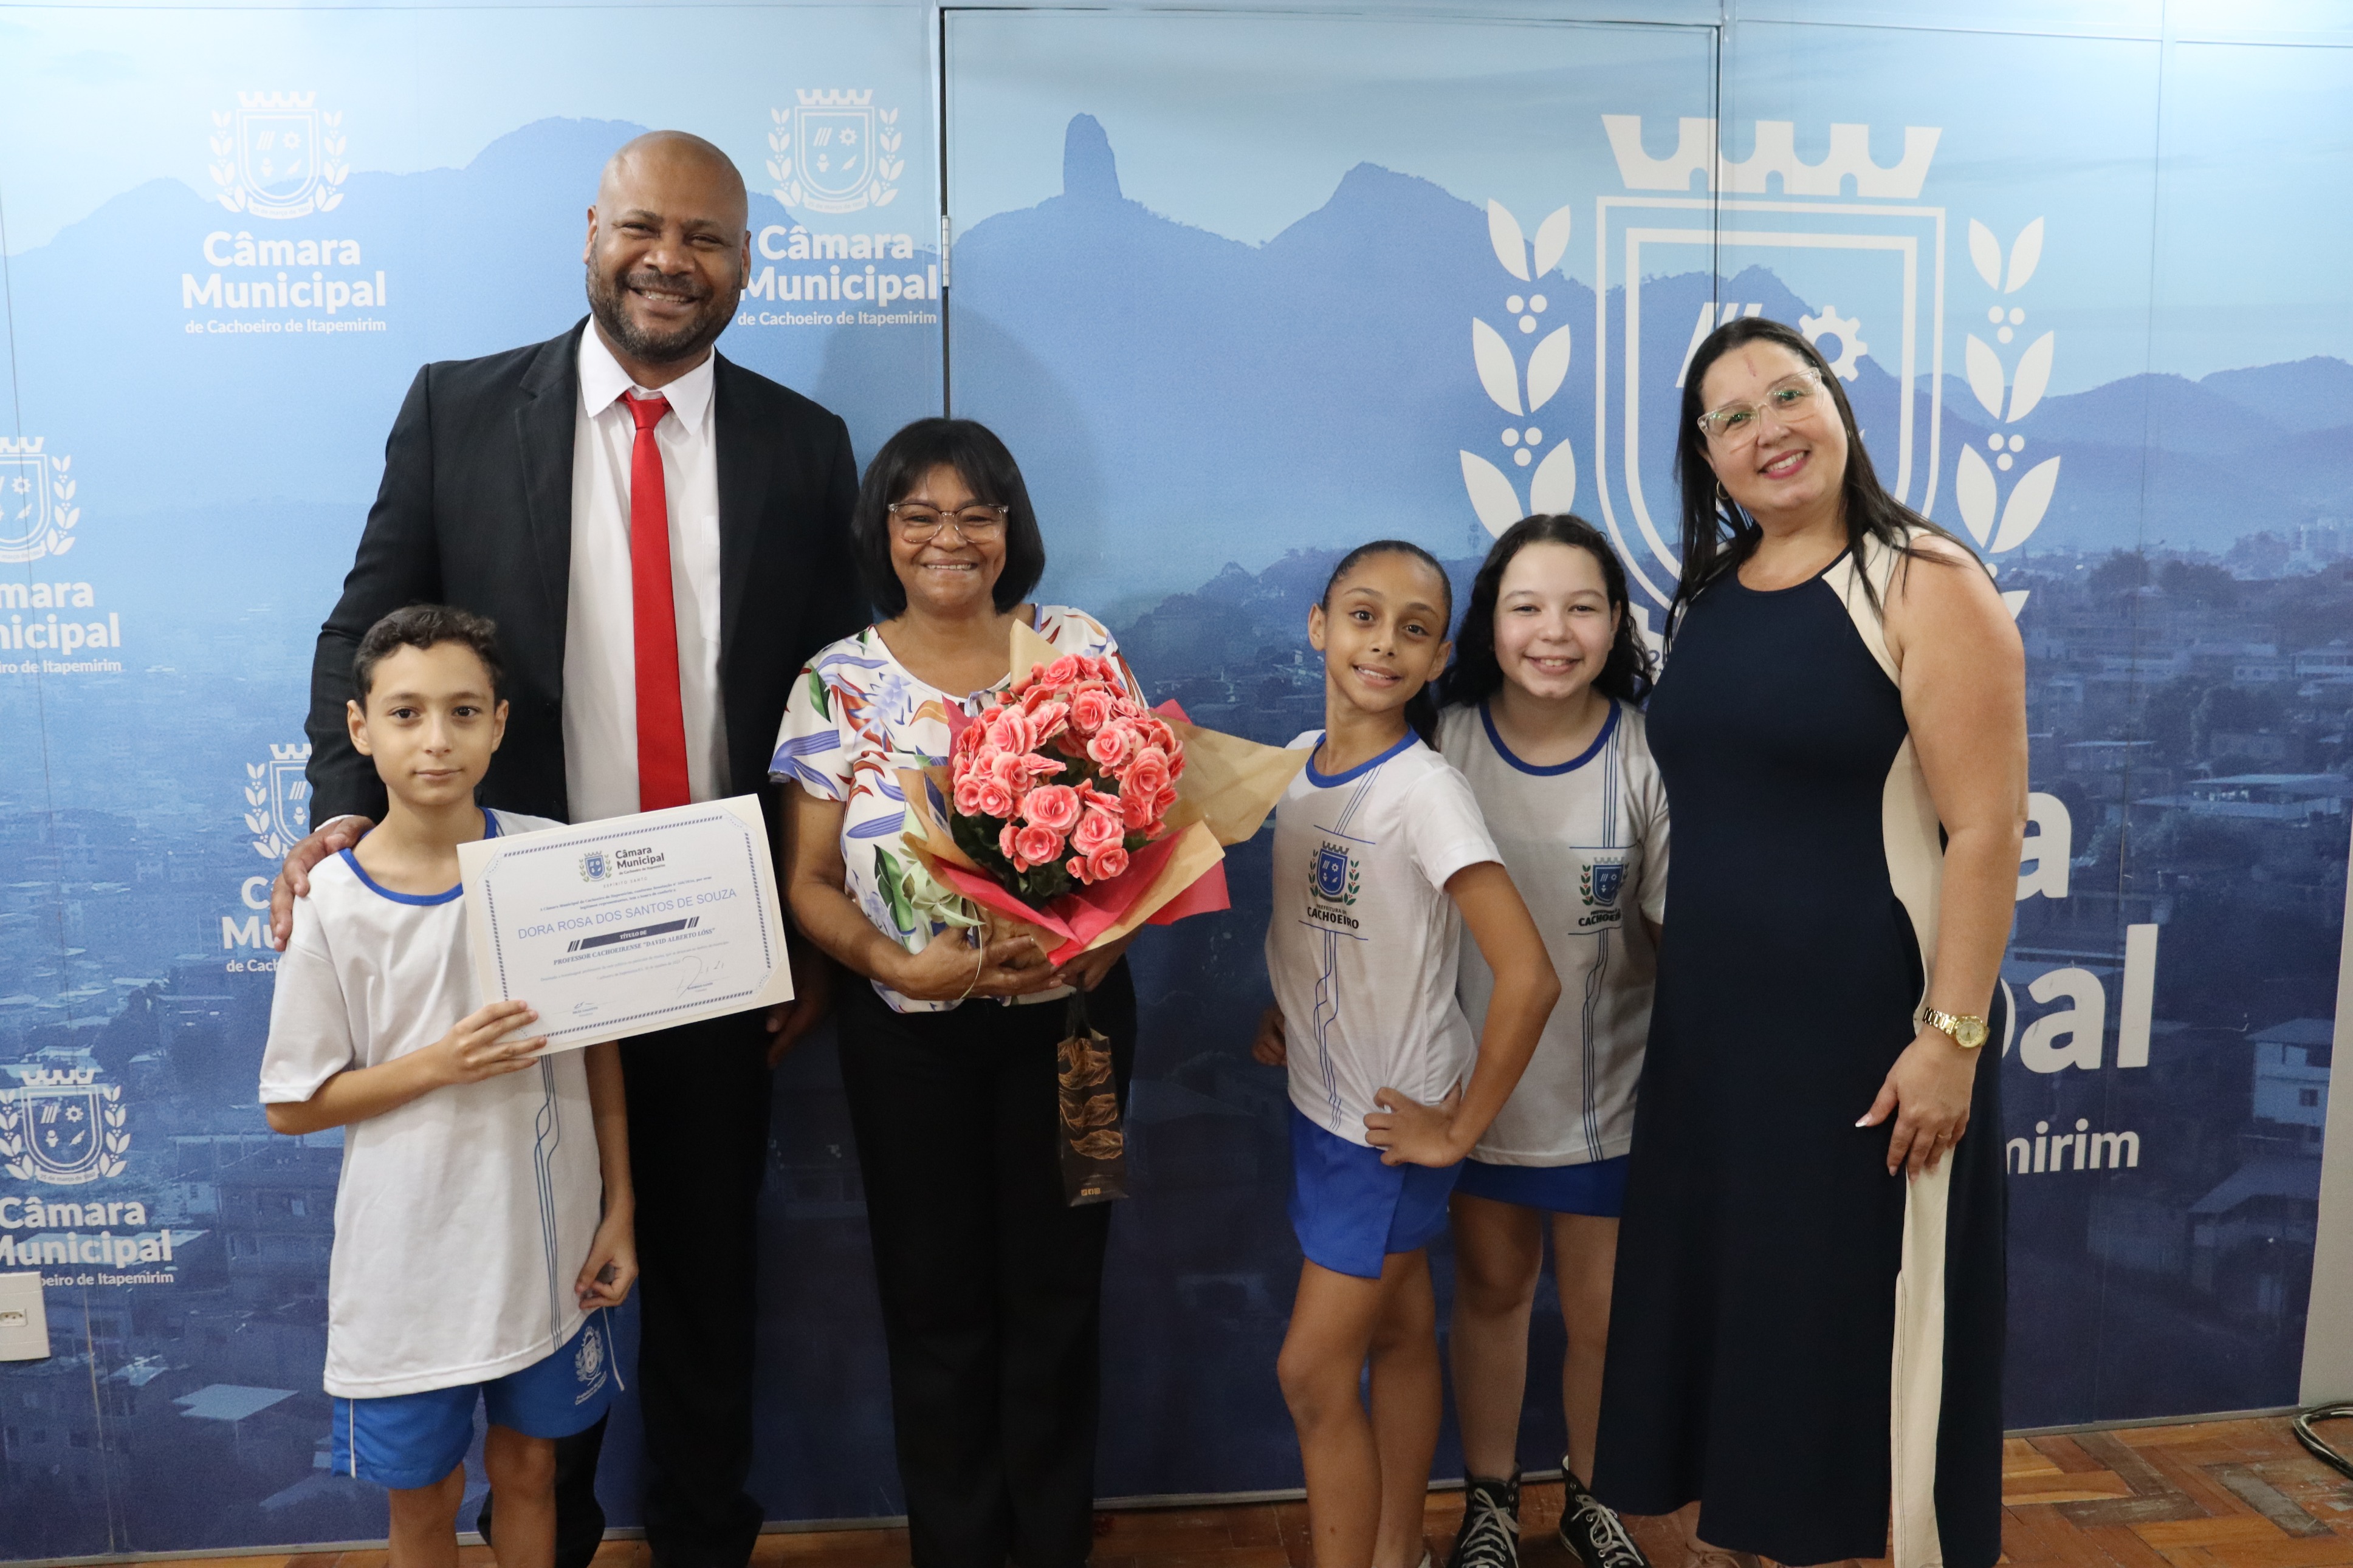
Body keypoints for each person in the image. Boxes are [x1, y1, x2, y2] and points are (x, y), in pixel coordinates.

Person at [268, 131, 865, 1568]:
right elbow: (365, 625)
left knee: (709, 1270)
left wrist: (816, 923)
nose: (671, 260)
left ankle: (706, 1541)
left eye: (707, 237)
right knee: (547, 1275)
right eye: (643, 227)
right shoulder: (459, 410)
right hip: (515, 941)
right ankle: (562, 1543)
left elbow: (828, 704)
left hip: (721, 939)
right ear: (591, 232)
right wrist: (344, 806)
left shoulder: (803, 443)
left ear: (747, 261)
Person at [1592, 317, 2024, 1568]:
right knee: (1747, 1344)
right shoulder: (1711, 595)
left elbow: (1987, 831)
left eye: (1789, 394)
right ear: (1706, 456)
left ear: (1837, 405)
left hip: (1866, 1046)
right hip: (1717, 1046)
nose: (1768, 430)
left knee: (1850, 1355)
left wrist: (1949, 1039)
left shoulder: (1923, 580)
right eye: (1732, 417)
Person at [773, 417, 1139, 1568]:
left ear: (1011, 527)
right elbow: (808, 881)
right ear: (882, 531)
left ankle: (1053, 1546)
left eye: (978, 513)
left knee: (1062, 1296)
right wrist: (892, 965)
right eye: (920, 514)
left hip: (1078, 1033)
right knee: (935, 1310)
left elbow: (1152, 826)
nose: (951, 537)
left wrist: (1109, 937)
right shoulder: (837, 681)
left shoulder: (1076, 646)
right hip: (910, 1042)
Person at [259, 606, 637, 1568]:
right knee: (423, 1496)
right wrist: (440, 1063)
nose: (437, 739)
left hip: (545, 1247)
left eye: (464, 711)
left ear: (499, 723)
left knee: (532, 1470)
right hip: (408, 1267)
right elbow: (291, 1102)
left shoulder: (550, 857)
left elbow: (598, 1041)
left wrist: (621, 1204)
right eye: (407, 712)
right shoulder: (331, 900)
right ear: (359, 728)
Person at [1250, 541, 1561, 1568]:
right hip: (1320, 1101)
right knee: (1396, 1331)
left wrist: (1460, 1125)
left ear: (1439, 659)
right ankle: (1398, 1554)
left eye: (1415, 629)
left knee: (1310, 1376)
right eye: (1363, 615)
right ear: (1318, 625)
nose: (1384, 643)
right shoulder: (1297, 762)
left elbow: (1529, 975)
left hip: (1383, 1131)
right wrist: (1289, 1007)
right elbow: (1329, 926)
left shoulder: (1427, 791)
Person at [1432, 516, 1665, 1568]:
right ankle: (1489, 1498)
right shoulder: (1443, 741)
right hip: (1474, 1089)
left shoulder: (1647, 751)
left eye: (1582, 607)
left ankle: (1590, 1496)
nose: (1554, 633)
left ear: (1617, 623)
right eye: (1527, 607)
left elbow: (1676, 928)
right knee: (1491, 1292)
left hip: (1609, 1086)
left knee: (1604, 1312)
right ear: (1492, 621)